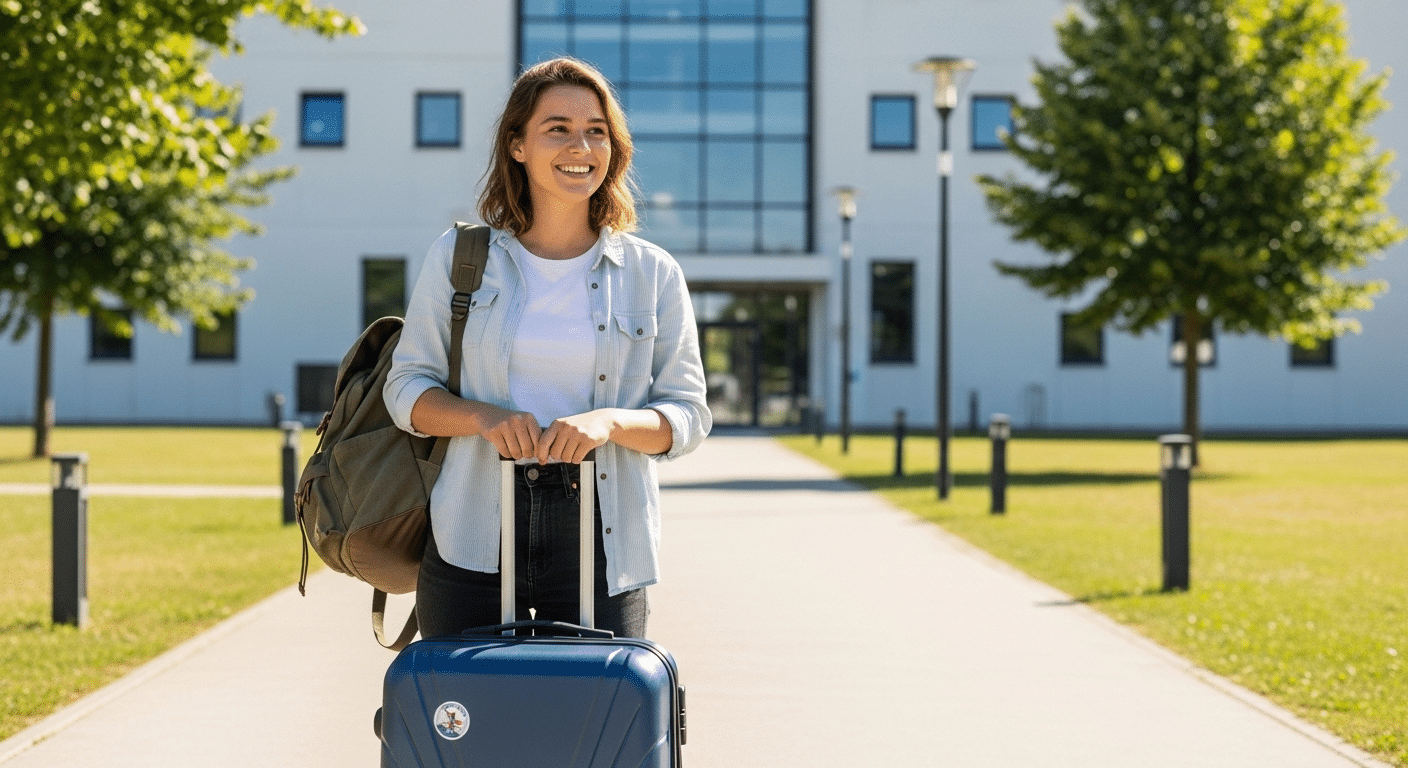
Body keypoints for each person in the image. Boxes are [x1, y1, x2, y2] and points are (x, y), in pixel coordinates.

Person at [384, 57, 711, 640]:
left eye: (596, 131)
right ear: (517, 145)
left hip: (605, 537)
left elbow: (687, 416)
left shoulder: (652, 273)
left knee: (598, 723)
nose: (579, 145)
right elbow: (406, 389)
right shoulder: (462, 261)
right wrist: (482, 417)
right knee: (467, 721)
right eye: (557, 128)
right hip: (472, 532)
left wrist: (609, 422)